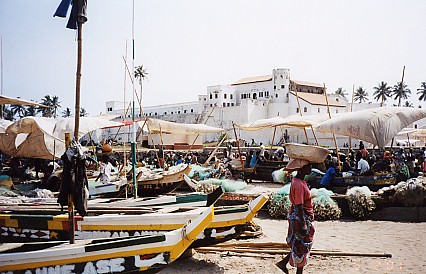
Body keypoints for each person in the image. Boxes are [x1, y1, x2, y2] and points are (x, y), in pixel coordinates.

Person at [276, 158, 315, 274]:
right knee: (302, 246)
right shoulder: (298, 184)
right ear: (302, 169)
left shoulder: (299, 181)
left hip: (302, 216)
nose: (310, 169)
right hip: (300, 217)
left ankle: (283, 263)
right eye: (308, 166)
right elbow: (299, 205)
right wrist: (303, 224)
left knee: (299, 244)